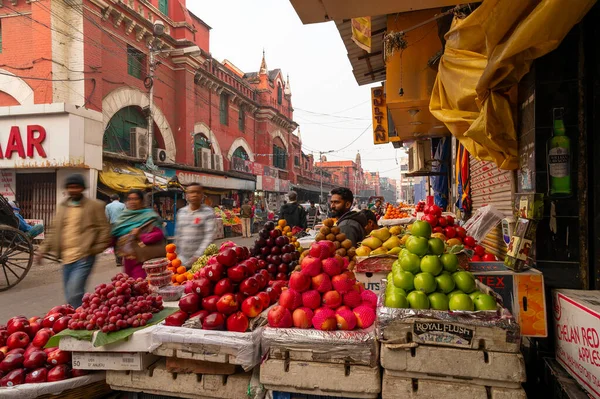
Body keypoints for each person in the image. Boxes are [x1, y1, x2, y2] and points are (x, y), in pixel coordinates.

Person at [35, 174, 111, 308]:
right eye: (70, 187)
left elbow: (105, 231)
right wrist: (42, 250)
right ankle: (82, 316)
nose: (73, 190)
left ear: (82, 188)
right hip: (66, 257)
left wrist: (93, 250)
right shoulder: (63, 207)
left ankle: (80, 319)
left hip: (84, 257)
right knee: (70, 294)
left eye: (76, 187)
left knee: (74, 293)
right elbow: (54, 231)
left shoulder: (95, 206)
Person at [112, 189, 165, 279]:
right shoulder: (123, 217)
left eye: (135, 199)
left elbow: (159, 234)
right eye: (130, 199)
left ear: (141, 201)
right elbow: (115, 235)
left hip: (143, 258)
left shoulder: (149, 216)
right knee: (128, 285)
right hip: (128, 260)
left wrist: (140, 236)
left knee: (139, 285)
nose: (132, 201)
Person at [175, 183, 216, 269]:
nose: (194, 195)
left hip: (201, 263)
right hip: (181, 261)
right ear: (187, 195)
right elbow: (178, 235)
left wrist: (198, 256)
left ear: (202, 195)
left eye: (198, 192)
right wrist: (175, 254)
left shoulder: (208, 212)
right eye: (191, 192)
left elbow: (209, 236)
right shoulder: (181, 212)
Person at [105, 194, 125, 266]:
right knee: (123, 241)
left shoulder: (108, 206)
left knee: (115, 242)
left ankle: (118, 260)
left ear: (111, 199)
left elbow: (107, 218)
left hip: (113, 225)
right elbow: (125, 215)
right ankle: (123, 258)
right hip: (122, 225)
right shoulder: (123, 205)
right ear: (119, 198)